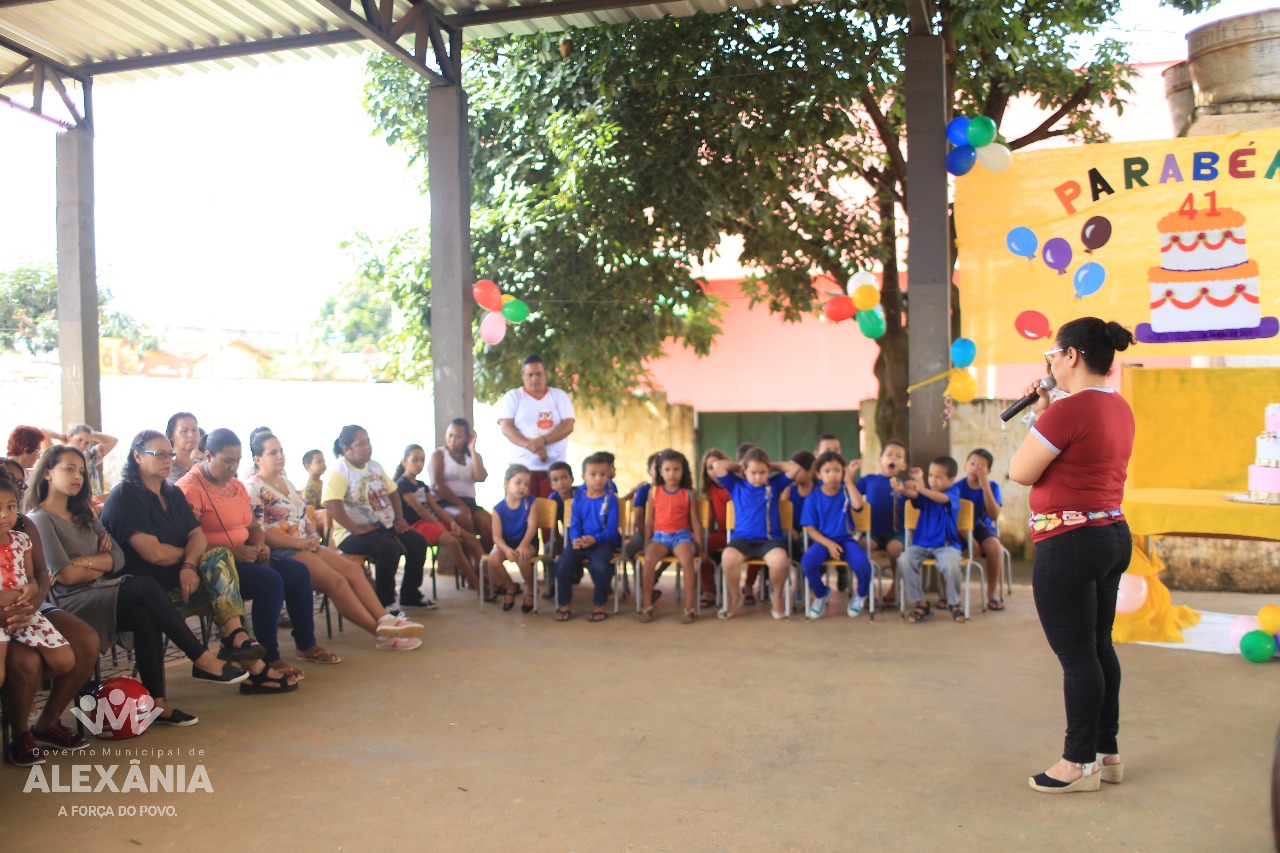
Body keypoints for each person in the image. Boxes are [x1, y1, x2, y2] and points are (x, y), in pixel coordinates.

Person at [30, 446, 247, 728]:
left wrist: (85, 561)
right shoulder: (40, 519)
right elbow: (66, 576)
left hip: (98, 591)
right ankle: (202, 658)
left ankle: (158, 704)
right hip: (68, 603)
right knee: (144, 586)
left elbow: (118, 559)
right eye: (69, 469)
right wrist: (97, 561)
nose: (78, 477)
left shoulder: (84, 513)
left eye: (82, 471)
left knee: (146, 615)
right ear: (47, 473)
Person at [1009, 317, 1136, 794]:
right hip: (1110, 534)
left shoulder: (1064, 414)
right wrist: (1049, 407)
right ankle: (1107, 753)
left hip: (1069, 542)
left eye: (1052, 355)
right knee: (1099, 647)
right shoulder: (1119, 407)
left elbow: (1021, 471)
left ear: (1072, 356)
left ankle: (1077, 762)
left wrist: (1042, 412)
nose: (1050, 364)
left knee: (1077, 655)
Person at [100, 431, 298, 696]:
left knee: (222, 562)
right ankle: (249, 659)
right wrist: (190, 559)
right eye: (158, 454)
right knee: (227, 580)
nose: (167, 459)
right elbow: (154, 554)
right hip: (147, 590)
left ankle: (237, 640)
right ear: (137, 456)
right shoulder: (124, 497)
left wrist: (189, 566)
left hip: (183, 579)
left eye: (169, 454)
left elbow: (197, 535)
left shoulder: (170, 492)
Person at [178, 428, 335, 677]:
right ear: (207, 456)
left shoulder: (236, 486)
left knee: (297, 572)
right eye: (227, 461)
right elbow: (186, 541)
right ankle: (269, 656)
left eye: (237, 461)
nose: (233, 468)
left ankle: (306, 644)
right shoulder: (189, 488)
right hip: (213, 565)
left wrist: (259, 544)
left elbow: (253, 526)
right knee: (269, 581)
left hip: (247, 555)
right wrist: (235, 552)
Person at [247, 433, 422, 651]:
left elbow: (303, 517)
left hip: (305, 544)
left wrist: (312, 536)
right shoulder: (253, 488)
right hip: (283, 551)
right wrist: (300, 544)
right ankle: (384, 635)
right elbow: (260, 532)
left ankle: (385, 618)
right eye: (273, 452)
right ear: (258, 459)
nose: (280, 456)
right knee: (337, 581)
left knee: (353, 570)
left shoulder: (287, 483)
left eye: (281, 450)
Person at [0, 457, 99, 763]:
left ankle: (47, 722)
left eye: (17, 489)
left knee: (86, 641)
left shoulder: (23, 525)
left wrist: (30, 604)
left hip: (29, 604)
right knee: (26, 662)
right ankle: (20, 735)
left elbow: (42, 575)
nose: (17, 491)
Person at [323, 425, 432, 610]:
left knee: (418, 542)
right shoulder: (339, 471)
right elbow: (332, 504)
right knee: (389, 548)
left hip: (383, 526)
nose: (367, 447)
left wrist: (399, 518)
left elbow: (393, 491)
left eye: (368, 442)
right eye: (361, 444)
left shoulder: (374, 466)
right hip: (352, 534)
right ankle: (385, 603)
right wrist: (355, 528)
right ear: (346, 449)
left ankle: (409, 593)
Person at [710, 448, 804, 620]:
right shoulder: (735, 484)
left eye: (763, 472)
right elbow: (717, 465)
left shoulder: (774, 485)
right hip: (742, 539)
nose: (758, 477)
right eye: (753, 472)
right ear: (744, 470)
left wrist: (771, 465)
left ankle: (776, 597)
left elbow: (794, 468)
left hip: (768, 540)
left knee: (780, 560)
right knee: (727, 558)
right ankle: (734, 596)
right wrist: (739, 465)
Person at [0, 471, 74, 686]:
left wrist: (32, 589)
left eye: (10, 507)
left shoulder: (21, 540)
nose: (5, 514)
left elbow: (32, 577)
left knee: (64, 660)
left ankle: (26, 689)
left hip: (24, 611)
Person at [395, 444, 492, 601]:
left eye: (422, 460)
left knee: (470, 538)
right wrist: (443, 529)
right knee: (453, 541)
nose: (419, 463)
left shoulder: (421, 485)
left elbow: (436, 508)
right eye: (415, 460)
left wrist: (451, 523)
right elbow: (421, 511)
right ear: (404, 462)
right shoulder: (402, 484)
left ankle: (491, 577)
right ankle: (476, 583)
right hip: (416, 526)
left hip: (431, 522)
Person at [801, 452, 872, 619]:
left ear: (843, 472)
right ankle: (821, 594)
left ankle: (861, 595)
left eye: (837, 470)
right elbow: (810, 529)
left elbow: (858, 505)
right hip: (823, 541)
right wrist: (829, 544)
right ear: (818, 474)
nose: (832, 475)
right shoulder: (813, 497)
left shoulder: (846, 492)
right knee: (808, 562)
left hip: (846, 540)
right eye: (827, 471)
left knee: (863, 565)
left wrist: (848, 481)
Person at [894, 456, 964, 623]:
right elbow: (913, 494)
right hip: (921, 544)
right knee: (904, 560)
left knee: (952, 564)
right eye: (931, 475)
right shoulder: (924, 494)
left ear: (951, 479)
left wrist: (920, 487)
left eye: (938, 477)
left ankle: (954, 603)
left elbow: (941, 499)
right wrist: (902, 489)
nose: (933, 480)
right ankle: (921, 604)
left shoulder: (953, 493)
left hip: (946, 546)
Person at [497, 354, 575, 498]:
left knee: (553, 513)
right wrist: (532, 446)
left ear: (545, 374)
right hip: (522, 468)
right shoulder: (513, 397)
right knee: (523, 512)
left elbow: (568, 425)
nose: (534, 379)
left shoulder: (559, 396)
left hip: (554, 470)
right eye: (530, 375)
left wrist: (542, 441)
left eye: (538, 374)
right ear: (523, 375)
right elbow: (506, 427)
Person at [638, 450, 702, 624]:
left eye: (676, 469)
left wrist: (700, 545)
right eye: (667, 469)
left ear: (683, 471)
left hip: (682, 536)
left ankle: (689, 609)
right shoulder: (654, 493)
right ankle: (647, 607)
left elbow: (695, 521)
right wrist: (646, 544)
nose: (672, 474)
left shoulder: (688, 493)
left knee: (687, 559)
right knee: (649, 559)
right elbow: (649, 522)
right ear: (660, 471)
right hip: (659, 537)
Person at [554, 454, 619, 622]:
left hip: (601, 542)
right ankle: (564, 604)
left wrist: (595, 539)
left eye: (602, 474)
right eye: (593, 474)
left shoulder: (611, 499)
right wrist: (575, 539)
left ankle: (599, 605)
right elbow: (574, 525)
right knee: (562, 564)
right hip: (580, 541)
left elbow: (612, 530)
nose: (598, 478)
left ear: (608, 476)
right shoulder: (579, 499)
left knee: (600, 566)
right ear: (584, 477)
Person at [429, 418, 493, 552]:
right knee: (465, 516)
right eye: (450, 435)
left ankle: (484, 564)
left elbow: (480, 477)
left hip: (469, 503)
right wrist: (458, 503)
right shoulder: (439, 455)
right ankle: (470, 563)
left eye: (458, 437)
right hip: (445, 502)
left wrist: (472, 449)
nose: (453, 440)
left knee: (488, 521)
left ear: (466, 438)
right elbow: (437, 485)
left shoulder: (473, 456)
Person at [857, 439, 908, 601]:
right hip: (872, 532)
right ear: (881, 460)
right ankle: (864, 588)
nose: (893, 458)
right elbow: (852, 494)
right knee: (862, 546)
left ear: (904, 465)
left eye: (898, 456)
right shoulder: (869, 480)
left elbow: (910, 501)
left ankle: (895, 586)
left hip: (896, 533)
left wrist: (903, 489)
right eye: (889, 455)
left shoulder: (903, 485)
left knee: (895, 549)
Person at [958, 448, 1005, 611]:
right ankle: (948, 596)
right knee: (947, 548)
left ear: (988, 471)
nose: (974, 468)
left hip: (982, 528)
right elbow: (955, 519)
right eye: (972, 464)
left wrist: (985, 488)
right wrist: (970, 540)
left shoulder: (993, 487)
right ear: (965, 465)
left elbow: (993, 515)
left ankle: (992, 593)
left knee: (994, 546)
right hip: (961, 530)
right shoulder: (958, 487)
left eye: (981, 467)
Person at [488, 464, 538, 614]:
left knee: (522, 557)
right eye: (518, 482)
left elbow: (532, 527)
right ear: (506, 484)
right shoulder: (498, 509)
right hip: (506, 543)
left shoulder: (531, 502)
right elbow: (496, 536)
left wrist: (522, 545)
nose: (523, 487)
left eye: (526, 484)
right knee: (493, 559)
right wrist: (505, 549)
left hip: (527, 542)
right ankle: (510, 587)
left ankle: (530, 589)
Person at [43, 424, 118, 499]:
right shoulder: (58, 455)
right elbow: (43, 432)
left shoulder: (90, 456)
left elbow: (113, 440)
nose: (82, 445)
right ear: (69, 437)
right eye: (79, 440)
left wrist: (91, 433)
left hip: (93, 502)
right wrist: (61, 437)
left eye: (86, 443)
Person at [696, 449, 730, 611]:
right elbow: (709, 521)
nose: (714, 471)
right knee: (701, 546)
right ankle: (708, 590)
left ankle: (749, 587)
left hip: (741, 533)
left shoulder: (735, 483)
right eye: (710, 468)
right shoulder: (709, 490)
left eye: (718, 466)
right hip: (723, 533)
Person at [541, 460, 575, 599]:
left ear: (571, 479)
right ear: (551, 485)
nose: (560, 482)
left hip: (583, 533)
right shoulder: (553, 499)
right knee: (549, 548)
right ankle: (551, 585)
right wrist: (560, 544)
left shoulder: (580, 495)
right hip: (565, 533)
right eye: (555, 480)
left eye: (564, 478)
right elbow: (554, 526)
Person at [623, 453, 661, 564]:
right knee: (630, 550)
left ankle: (657, 574)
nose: (660, 470)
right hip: (644, 531)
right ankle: (640, 577)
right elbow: (639, 518)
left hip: (667, 531)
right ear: (649, 471)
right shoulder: (644, 490)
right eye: (656, 467)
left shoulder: (672, 490)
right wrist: (647, 538)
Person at [165, 412, 200, 483]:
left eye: (194, 430)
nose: (191, 435)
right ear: (171, 436)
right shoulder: (166, 469)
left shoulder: (201, 466)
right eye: (184, 431)